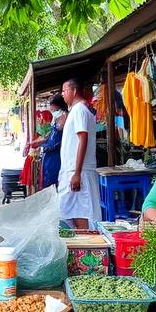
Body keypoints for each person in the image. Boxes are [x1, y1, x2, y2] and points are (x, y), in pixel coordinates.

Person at [58, 77, 101, 228]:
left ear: (74, 90)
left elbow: (83, 138)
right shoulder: (77, 110)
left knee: (81, 211)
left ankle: (86, 246)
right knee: (71, 211)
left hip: (79, 171)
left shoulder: (80, 110)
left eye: (65, 90)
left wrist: (77, 172)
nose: (62, 94)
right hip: (72, 170)